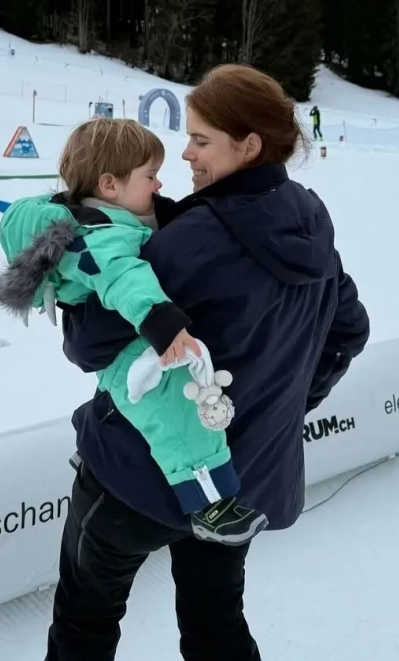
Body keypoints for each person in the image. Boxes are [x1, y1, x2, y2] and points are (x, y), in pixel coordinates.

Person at [43, 64, 371, 661]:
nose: (185, 154)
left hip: (140, 475)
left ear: (249, 146)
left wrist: (76, 285)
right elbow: (348, 328)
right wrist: (276, 407)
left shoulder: (192, 238)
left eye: (200, 140)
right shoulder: (309, 218)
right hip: (240, 481)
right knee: (215, 625)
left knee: (84, 621)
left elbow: (88, 345)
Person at [0, 118, 268, 545]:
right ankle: (209, 502)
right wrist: (163, 324)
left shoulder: (103, 217)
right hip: (134, 345)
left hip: (120, 342)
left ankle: (94, 455)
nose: (159, 185)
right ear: (109, 185)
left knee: (140, 405)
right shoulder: (101, 237)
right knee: (178, 415)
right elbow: (124, 278)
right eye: (150, 176)